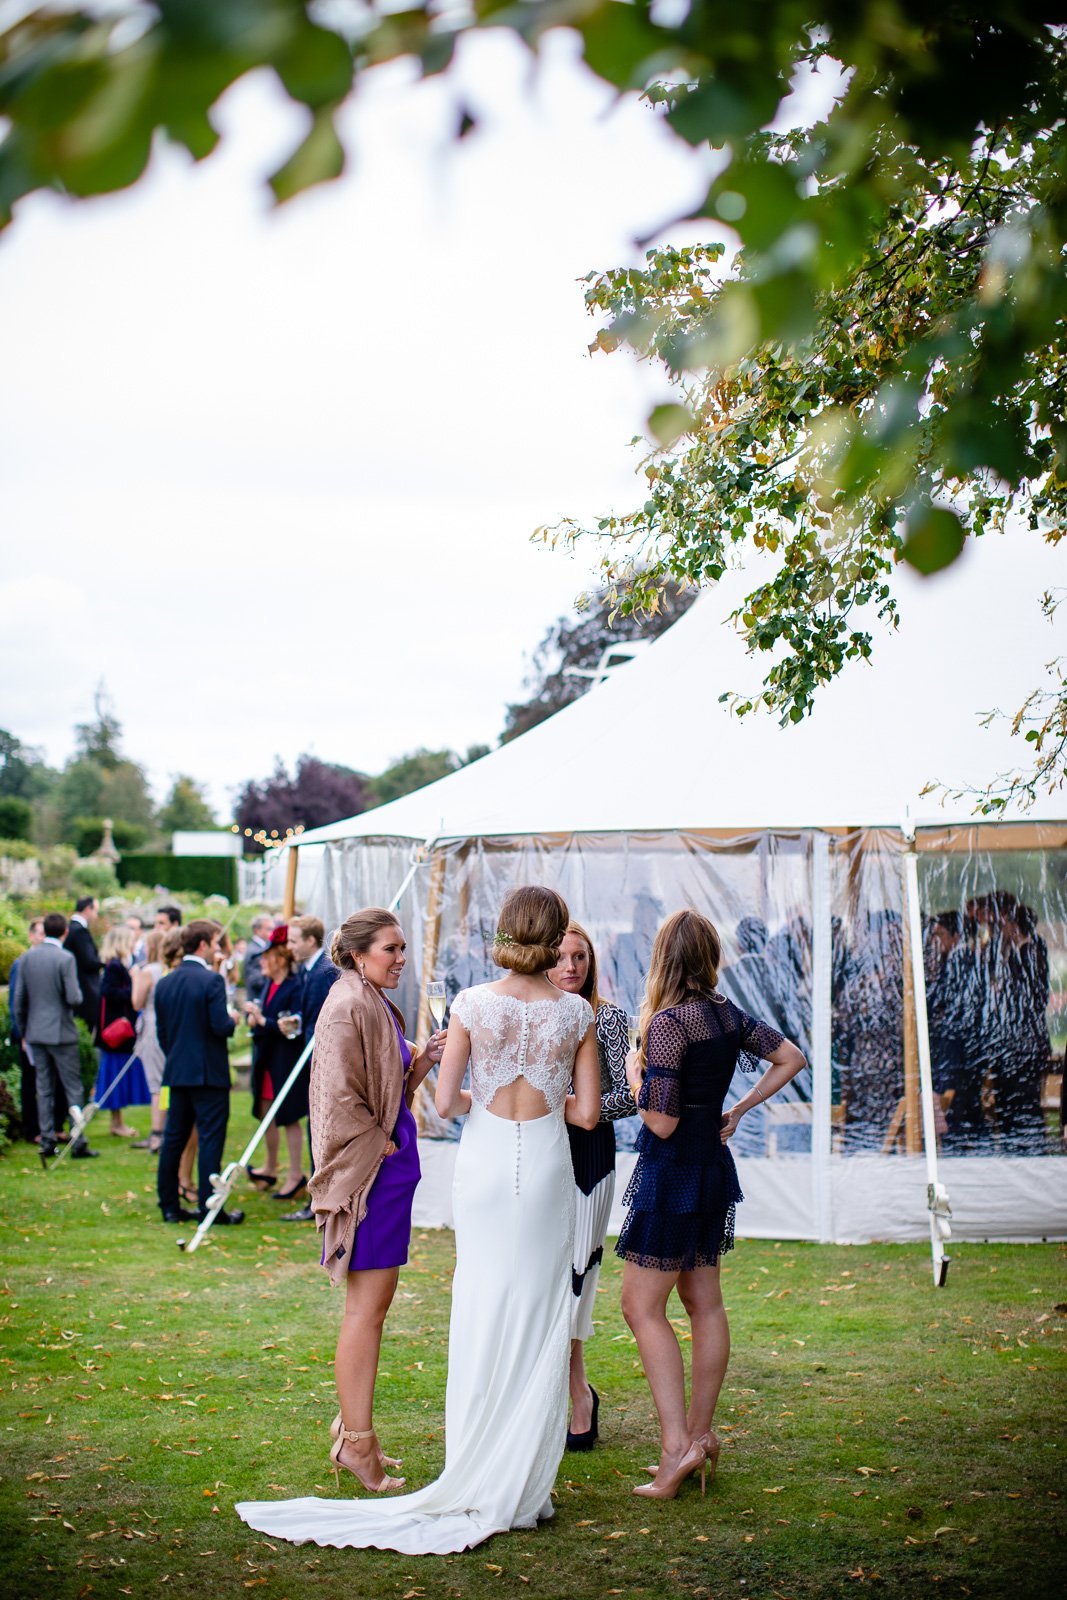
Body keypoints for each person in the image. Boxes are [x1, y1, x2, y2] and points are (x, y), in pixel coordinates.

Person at [236, 885, 600, 1553]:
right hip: (547, 1166)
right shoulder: (576, 1013)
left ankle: (475, 1467)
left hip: (486, 1166)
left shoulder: (470, 1005)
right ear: (553, 938)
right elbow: (584, 1113)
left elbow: (445, 1105)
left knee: (484, 1303)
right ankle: (525, 1482)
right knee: (542, 1305)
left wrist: (478, 1089)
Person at [240, 904, 445, 1515]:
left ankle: (349, 1427)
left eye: (402, 948)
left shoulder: (371, 998)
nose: (401, 958)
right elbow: (333, 1097)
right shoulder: (347, 1003)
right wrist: (377, 1144)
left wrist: (424, 1059)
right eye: (391, 949)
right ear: (359, 954)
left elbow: (385, 1078)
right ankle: (358, 1443)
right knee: (368, 1310)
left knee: (372, 1307)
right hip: (373, 1175)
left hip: (390, 1168)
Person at [617, 909, 805, 1500]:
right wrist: (740, 1109)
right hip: (711, 1168)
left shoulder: (671, 1023)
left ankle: (678, 1448)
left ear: (662, 958)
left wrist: (632, 1071)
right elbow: (792, 1056)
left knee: (640, 1307)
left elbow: (660, 1122)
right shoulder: (725, 1014)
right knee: (705, 1305)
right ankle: (700, 1437)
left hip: (672, 1172)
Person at [547, 921, 633, 1450]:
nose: (571, 966)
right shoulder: (530, 1014)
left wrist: (580, 1107)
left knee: (578, 1272)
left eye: (580, 957)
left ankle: (578, 1388)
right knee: (544, 1275)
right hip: (538, 1154)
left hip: (591, 1156)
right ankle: (548, 1388)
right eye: (561, 957)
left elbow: (625, 1099)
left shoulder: (611, 1018)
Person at [155, 918, 243, 1226]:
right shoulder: (211, 980)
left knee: (173, 1139)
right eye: (216, 945)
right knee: (210, 1139)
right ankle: (209, 1207)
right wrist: (234, 1019)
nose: (218, 950)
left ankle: (168, 1205)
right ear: (203, 945)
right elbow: (220, 1025)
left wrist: (177, 1058)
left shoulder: (165, 981)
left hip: (177, 1072)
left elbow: (162, 1033)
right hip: (208, 1074)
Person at [13, 912, 99, 1161]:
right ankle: (78, 1140)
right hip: (61, 1031)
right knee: (73, 1087)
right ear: (65, 932)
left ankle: (47, 1140)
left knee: (44, 1087)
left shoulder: (27, 958)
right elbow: (74, 998)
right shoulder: (65, 958)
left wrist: (25, 1031)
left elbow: (19, 1000)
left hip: (36, 1032)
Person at [279, 915, 340, 1223]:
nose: (288, 947)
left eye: (293, 940)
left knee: (319, 1129)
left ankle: (319, 1199)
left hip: (322, 1063)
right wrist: (298, 1023)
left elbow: (324, 1022)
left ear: (309, 940)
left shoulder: (321, 973)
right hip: (315, 1057)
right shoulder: (311, 971)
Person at [245, 927, 307, 1201]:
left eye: (266, 956)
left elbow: (292, 1026)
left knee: (289, 1117)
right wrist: (256, 1020)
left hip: (285, 1061)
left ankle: (295, 1175)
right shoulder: (269, 985)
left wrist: (263, 1021)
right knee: (266, 1112)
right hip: (267, 1060)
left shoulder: (295, 987)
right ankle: (270, 1167)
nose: (260, 962)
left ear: (279, 958)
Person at [94, 925, 151, 1136]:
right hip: (117, 1032)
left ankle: (118, 1122)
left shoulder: (118, 965)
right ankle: (117, 1123)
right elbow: (108, 992)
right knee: (115, 1076)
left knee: (119, 1074)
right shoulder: (115, 966)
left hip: (120, 1032)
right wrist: (134, 985)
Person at [9, 916, 46, 1143]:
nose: (43, 938)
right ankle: (31, 1129)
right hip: (28, 1032)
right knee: (30, 1082)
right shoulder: (21, 963)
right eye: (40, 934)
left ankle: (46, 1126)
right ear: (31, 936)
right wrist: (21, 1033)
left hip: (45, 1030)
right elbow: (16, 1000)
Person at [131, 928, 167, 1154]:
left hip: (152, 1027)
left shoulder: (149, 971)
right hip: (167, 1026)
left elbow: (137, 1003)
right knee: (166, 1081)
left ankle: (157, 1133)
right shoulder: (168, 969)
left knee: (156, 1084)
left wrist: (135, 976)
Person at [65, 895, 103, 1034]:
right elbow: (88, 961)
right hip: (85, 989)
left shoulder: (70, 928)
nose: (96, 916)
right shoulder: (80, 931)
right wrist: (105, 963)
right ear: (88, 909)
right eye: (95, 911)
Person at [244, 914, 275, 1005]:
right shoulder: (255, 951)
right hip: (257, 1002)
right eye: (269, 929)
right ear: (257, 930)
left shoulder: (259, 948)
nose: (272, 932)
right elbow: (256, 981)